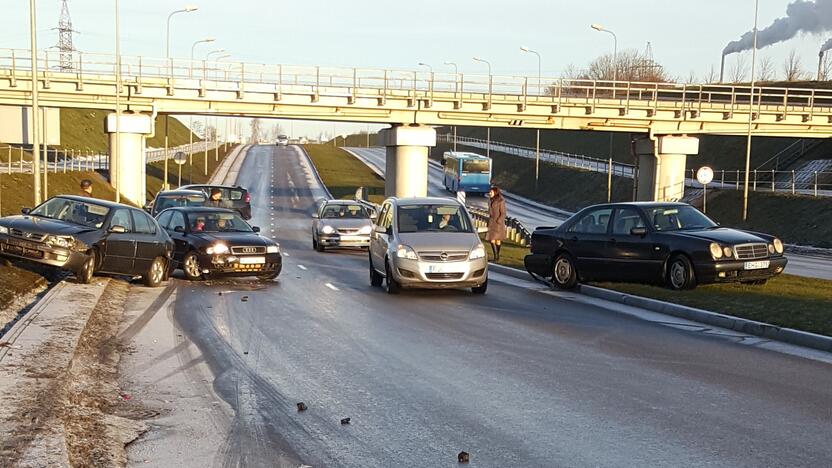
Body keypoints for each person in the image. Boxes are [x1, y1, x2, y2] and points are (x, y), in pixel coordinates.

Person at [486, 185, 506, 261]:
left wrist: (499, 221)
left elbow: (503, 213)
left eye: (491, 192)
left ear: (495, 192)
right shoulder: (490, 200)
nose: (489, 193)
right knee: (493, 239)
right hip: (492, 222)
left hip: (498, 223)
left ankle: (496, 256)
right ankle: (496, 256)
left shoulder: (501, 201)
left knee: (496, 240)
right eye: (489, 192)